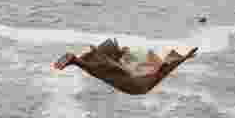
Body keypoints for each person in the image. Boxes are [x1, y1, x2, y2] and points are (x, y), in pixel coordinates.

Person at [52, 38, 197, 95]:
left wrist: (183, 58)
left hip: (134, 81)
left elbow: (166, 65)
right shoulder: (150, 74)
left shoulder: (146, 68)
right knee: (111, 73)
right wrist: (183, 58)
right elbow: (167, 67)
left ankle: (77, 61)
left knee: (109, 73)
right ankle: (77, 61)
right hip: (136, 86)